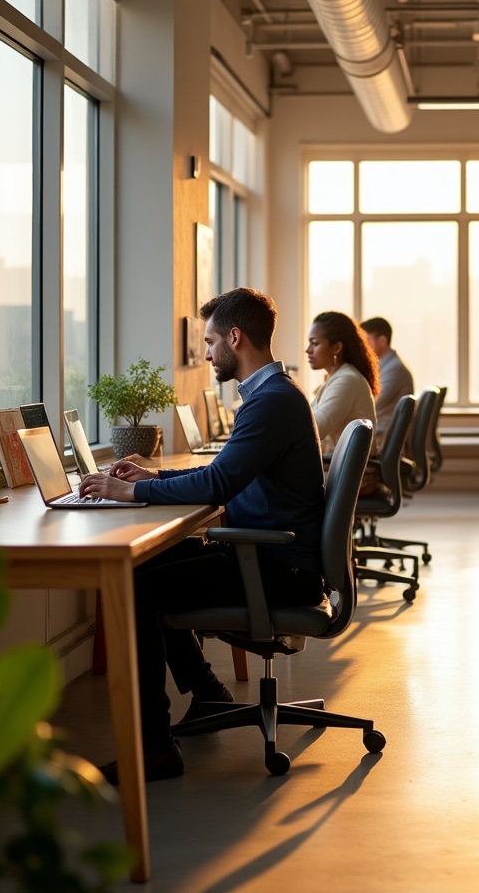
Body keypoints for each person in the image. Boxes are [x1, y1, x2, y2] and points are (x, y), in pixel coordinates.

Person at [78, 287, 326, 783]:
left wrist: (128, 495)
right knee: (144, 566)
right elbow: (225, 471)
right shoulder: (275, 395)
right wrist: (150, 480)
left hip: (279, 568)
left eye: (212, 342)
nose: (208, 353)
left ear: (236, 337)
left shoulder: (271, 402)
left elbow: (218, 483)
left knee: (134, 586)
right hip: (273, 556)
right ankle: (207, 691)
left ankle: (153, 749)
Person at [306, 310, 379, 453]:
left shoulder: (347, 380)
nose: (308, 350)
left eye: (315, 343)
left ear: (337, 348)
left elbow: (315, 429)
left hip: (346, 471)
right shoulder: (339, 377)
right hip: (340, 466)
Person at [360, 316, 414, 446]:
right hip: (381, 434)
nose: (363, 347)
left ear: (383, 341)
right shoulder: (387, 366)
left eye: (367, 341)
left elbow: (372, 404)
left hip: (382, 438)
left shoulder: (394, 370)